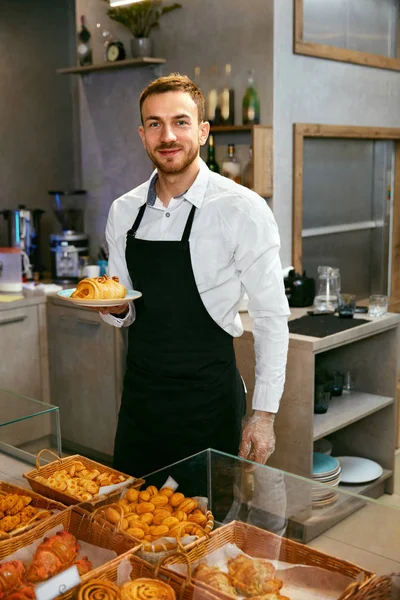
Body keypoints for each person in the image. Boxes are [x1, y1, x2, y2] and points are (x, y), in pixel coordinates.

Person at [100, 73, 290, 477]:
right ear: (142, 134)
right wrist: (114, 309)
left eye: (180, 122)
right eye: (155, 124)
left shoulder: (242, 209)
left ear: (203, 131)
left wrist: (264, 416)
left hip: (209, 404)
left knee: (207, 530)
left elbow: (272, 317)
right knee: (131, 522)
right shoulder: (123, 211)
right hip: (141, 401)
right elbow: (123, 310)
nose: (168, 135)